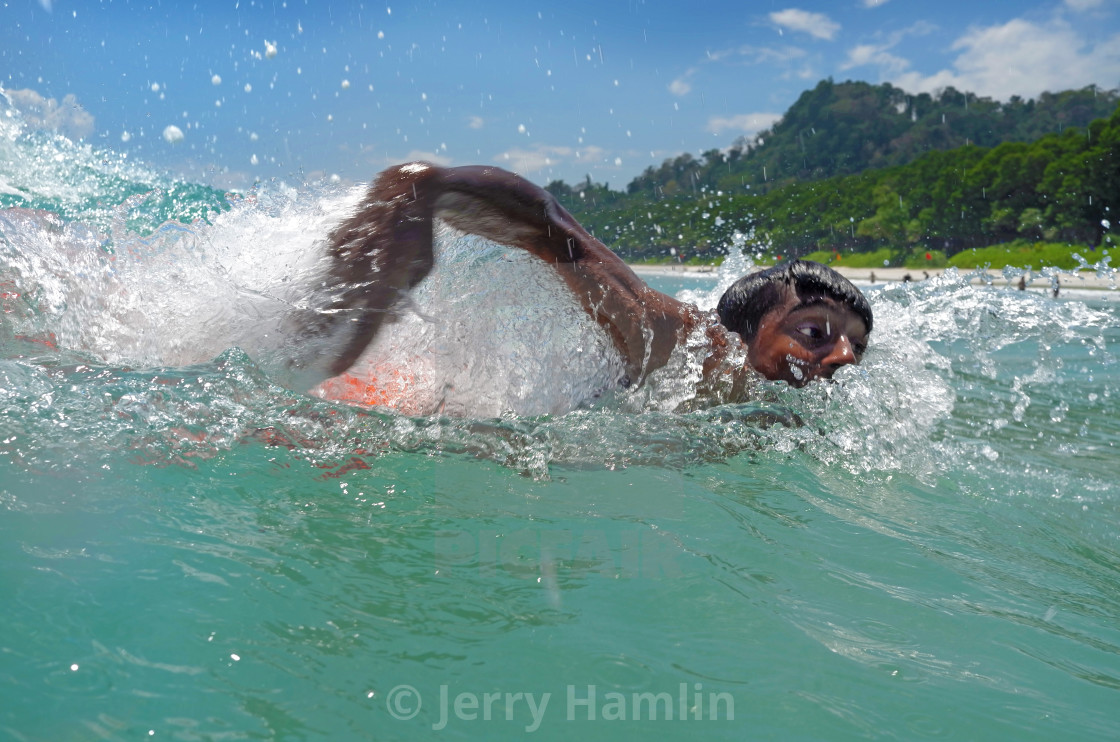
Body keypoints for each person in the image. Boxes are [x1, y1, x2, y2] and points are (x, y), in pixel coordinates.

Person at [297, 162, 872, 409]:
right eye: (817, 331)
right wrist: (429, 189)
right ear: (746, 334)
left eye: (854, 347)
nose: (843, 356)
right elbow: (553, 230)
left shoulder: (787, 413)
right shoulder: (691, 349)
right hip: (399, 418)